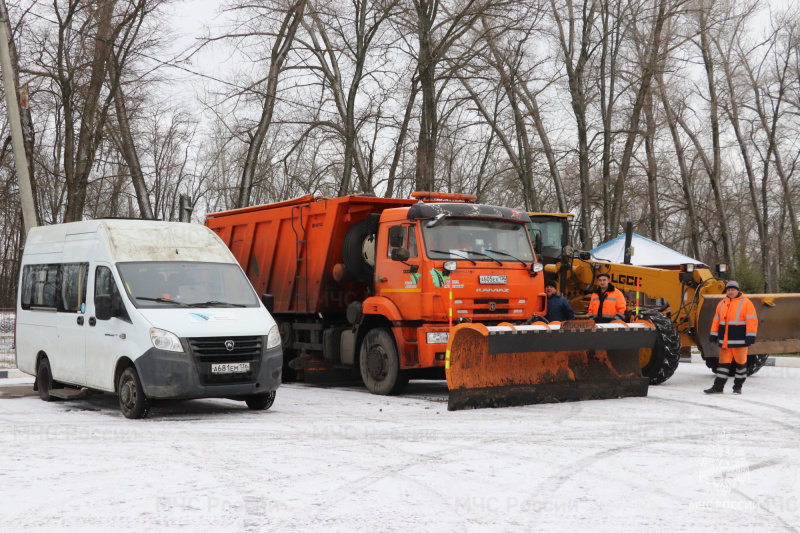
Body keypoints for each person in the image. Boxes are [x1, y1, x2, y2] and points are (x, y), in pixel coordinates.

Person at [704, 280, 758, 394]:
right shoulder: (722, 303)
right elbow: (716, 321)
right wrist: (713, 335)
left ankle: (737, 388)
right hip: (725, 342)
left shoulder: (746, 303)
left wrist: (750, 336)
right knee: (722, 366)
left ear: (737, 290)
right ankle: (718, 388)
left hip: (740, 341)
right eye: (728, 290)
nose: (730, 292)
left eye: (732, 289)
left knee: (741, 365)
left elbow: (752, 321)